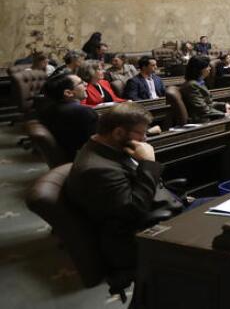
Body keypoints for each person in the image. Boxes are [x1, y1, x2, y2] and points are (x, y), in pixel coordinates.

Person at [66, 103, 184, 292]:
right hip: (141, 238)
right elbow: (133, 210)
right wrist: (147, 164)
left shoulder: (108, 148)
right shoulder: (96, 169)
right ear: (119, 133)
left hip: (160, 212)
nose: (145, 139)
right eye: (141, 134)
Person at [41, 74, 97, 162]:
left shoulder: (47, 110)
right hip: (87, 159)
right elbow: (97, 144)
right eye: (81, 83)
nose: (86, 84)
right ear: (68, 93)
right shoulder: (83, 112)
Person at [180, 56, 230, 122]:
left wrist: (224, 105)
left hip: (207, 117)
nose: (210, 68)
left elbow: (208, 104)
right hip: (201, 121)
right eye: (207, 66)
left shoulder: (199, 82)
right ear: (200, 69)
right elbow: (202, 109)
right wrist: (224, 115)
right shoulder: (191, 85)